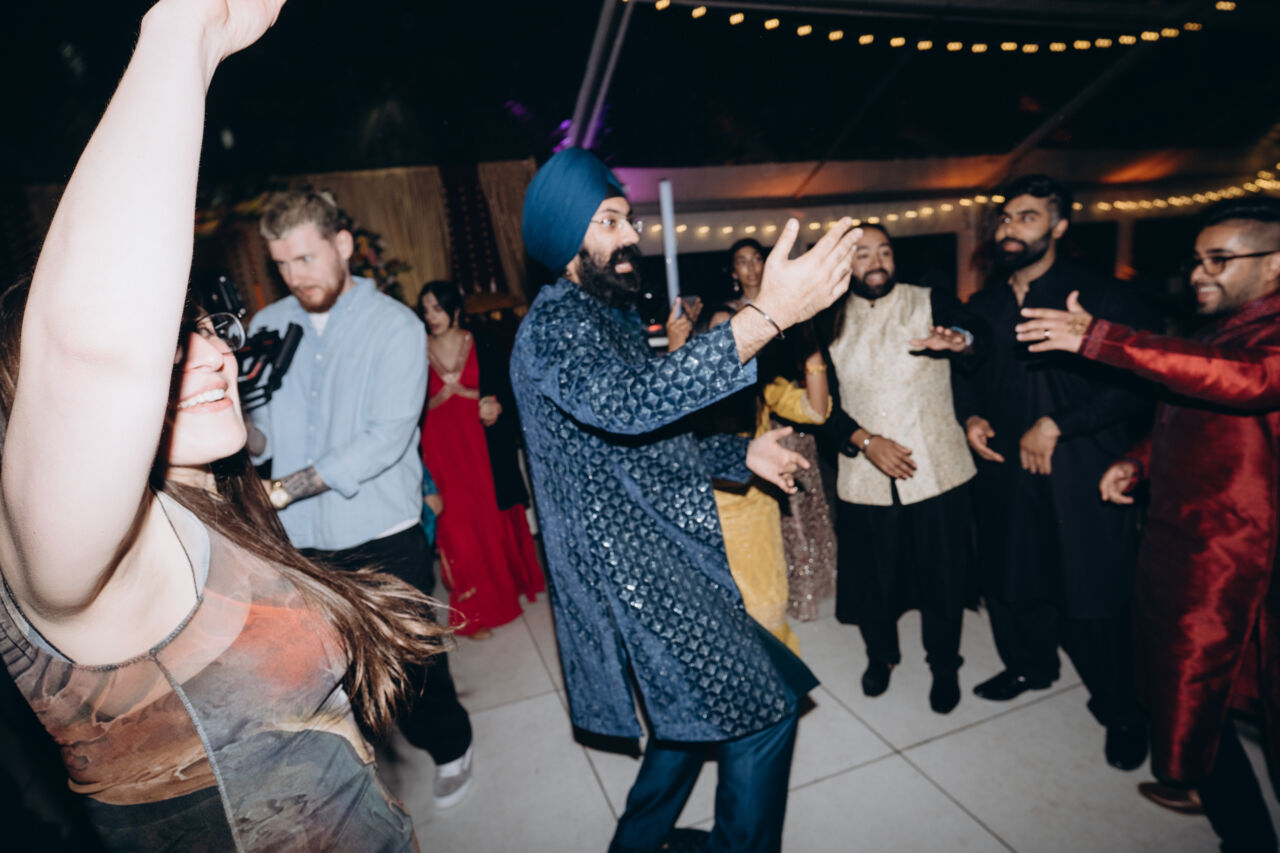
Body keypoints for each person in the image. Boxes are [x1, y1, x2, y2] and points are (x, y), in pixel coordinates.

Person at [0, 1, 445, 848]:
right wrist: (186, 31)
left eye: (207, 329)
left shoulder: (201, 499)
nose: (215, 356)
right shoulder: (83, 557)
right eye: (168, 348)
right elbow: (95, 354)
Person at [510, 148, 860, 853]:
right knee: (763, 713)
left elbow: (642, 442)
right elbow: (634, 404)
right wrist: (767, 316)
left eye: (628, 219)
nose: (631, 234)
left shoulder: (601, 316)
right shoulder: (554, 327)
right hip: (638, 577)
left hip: (663, 555)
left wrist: (740, 454)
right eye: (609, 221)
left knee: (694, 718)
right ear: (565, 236)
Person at [1016, 195, 1280, 851]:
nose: (1199, 274)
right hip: (1191, 545)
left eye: (1219, 260)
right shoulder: (1223, 326)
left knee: (1229, 695)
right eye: (1197, 260)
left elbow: (1245, 382)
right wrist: (1139, 462)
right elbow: (1195, 407)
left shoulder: (1265, 339)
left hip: (1248, 557)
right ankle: (1231, 816)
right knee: (1190, 689)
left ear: (1275, 263)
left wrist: (1101, 338)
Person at [248, 190, 475, 809]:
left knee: (413, 664)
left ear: (342, 245)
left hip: (382, 533)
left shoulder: (395, 326)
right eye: (283, 265)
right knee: (332, 671)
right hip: (301, 542)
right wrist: (232, 419)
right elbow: (263, 436)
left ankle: (452, 747)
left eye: (306, 259)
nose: (296, 277)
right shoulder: (268, 328)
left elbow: (384, 439)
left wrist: (282, 489)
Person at [953, 174, 1154, 770]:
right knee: (1012, 577)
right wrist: (971, 418)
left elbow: (1140, 384)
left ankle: (1122, 710)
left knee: (1091, 590)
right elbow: (967, 377)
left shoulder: (1101, 297)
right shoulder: (984, 305)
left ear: (1060, 226)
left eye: (1028, 217)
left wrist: (1059, 423)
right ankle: (1029, 667)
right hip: (1006, 470)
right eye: (1006, 218)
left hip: (1082, 466)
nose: (1011, 228)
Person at [821, 223, 980, 714]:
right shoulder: (826, 320)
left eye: (884, 251)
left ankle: (945, 666)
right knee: (874, 581)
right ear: (846, 265)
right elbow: (819, 407)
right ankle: (881, 656)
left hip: (936, 469)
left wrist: (960, 342)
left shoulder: (930, 300)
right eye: (863, 254)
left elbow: (975, 338)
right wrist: (865, 441)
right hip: (864, 473)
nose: (876, 262)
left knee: (943, 578)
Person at [690, 301, 831, 655]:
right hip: (706, 517)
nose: (727, 343)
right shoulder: (686, 392)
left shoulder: (761, 386)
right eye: (717, 333)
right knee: (717, 622)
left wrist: (811, 346)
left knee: (767, 612)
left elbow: (816, 411)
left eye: (734, 334)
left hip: (756, 517)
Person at [417, 279, 544, 639]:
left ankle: (505, 594)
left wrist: (495, 403)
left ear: (455, 309)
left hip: (483, 449)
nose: (431, 316)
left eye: (437, 308)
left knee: (490, 522)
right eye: (425, 310)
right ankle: (472, 614)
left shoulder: (482, 341)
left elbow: (507, 387)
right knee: (457, 531)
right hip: (441, 454)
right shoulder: (414, 350)